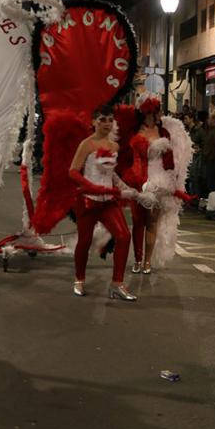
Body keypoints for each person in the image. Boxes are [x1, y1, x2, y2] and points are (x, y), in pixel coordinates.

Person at [69, 105, 137, 300]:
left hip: (108, 202)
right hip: (88, 201)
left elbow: (111, 173)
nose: (107, 124)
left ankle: (117, 283)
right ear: (93, 122)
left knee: (124, 236)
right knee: (85, 241)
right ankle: (79, 279)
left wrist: (126, 188)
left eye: (110, 120)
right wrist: (91, 186)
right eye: (102, 119)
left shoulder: (114, 146)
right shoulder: (86, 145)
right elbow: (73, 171)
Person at [125, 93, 192, 274]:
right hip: (138, 181)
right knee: (138, 222)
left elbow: (174, 161)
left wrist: (175, 183)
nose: (159, 114)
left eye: (158, 110)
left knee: (152, 222)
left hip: (160, 181)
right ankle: (138, 260)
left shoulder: (165, 132)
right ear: (147, 112)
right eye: (156, 110)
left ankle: (147, 261)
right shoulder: (134, 131)